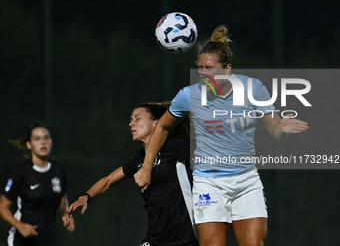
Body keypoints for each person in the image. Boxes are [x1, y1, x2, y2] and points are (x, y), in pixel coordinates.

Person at [134, 25, 309, 246]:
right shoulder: (189, 95)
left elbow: (274, 130)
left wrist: (282, 129)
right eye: (199, 68)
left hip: (246, 182)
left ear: (227, 69)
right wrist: (147, 167)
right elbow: (162, 127)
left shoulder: (253, 88)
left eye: (209, 67)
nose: (202, 73)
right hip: (209, 184)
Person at [67, 102, 198, 246]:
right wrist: (86, 196)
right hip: (154, 240)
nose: (131, 124)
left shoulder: (174, 146)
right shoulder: (139, 159)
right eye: (130, 120)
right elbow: (108, 181)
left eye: (137, 118)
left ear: (156, 124)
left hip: (183, 240)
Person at [0, 121, 75, 246]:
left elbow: (62, 198)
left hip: (48, 239)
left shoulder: (59, 171)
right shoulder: (20, 173)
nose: (43, 142)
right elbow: (2, 207)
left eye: (46, 138)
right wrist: (19, 225)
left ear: (51, 142)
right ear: (29, 144)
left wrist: (66, 214)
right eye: (37, 139)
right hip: (22, 241)